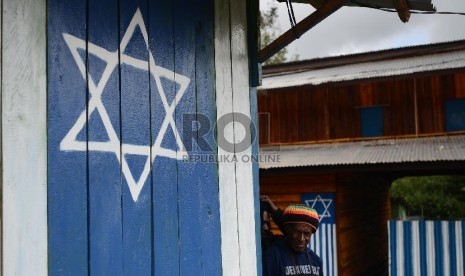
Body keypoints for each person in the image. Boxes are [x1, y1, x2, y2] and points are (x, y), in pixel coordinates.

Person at [262, 204, 323, 276]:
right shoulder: (272, 257)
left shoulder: (315, 260)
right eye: (297, 232)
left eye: (307, 234)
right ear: (287, 230)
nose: (301, 239)